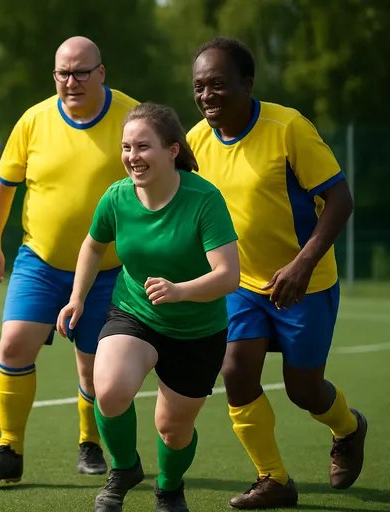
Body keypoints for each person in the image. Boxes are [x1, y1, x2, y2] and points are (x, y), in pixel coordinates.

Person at [187, 37, 368, 510]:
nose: (207, 95)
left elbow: (341, 200)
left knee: (303, 390)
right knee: (235, 371)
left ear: (247, 84)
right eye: (199, 86)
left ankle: (348, 428)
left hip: (306, 283)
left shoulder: (288, 127)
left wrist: (303, 264)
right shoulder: (196, 142)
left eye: (218, 85)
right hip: (243, 285)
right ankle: (273, 480)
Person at [0, 36, 140, 484]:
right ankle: (9, 449)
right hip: (40, 262)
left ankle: (90, 442)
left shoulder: (132, 118)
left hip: (110, 269)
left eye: (82, 72)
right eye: (63, 73)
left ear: (102, 73)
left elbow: (165, 181)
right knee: (12, 346)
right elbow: (3, 187)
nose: (72, 81)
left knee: (93, 365)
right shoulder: (34, 120)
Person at [57, 102, 240, 512]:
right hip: (134, 312)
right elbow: (93, 244)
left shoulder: (203, 199)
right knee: (109, 389)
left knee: (173, 430)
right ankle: (124, 469)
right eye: (126, 147)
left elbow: (229, 276)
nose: (132, 157)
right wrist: (77, 297)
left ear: (172, 150)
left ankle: (170, 487)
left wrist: (180, 291)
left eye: (143, 147)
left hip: (197, 328)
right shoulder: (117, 197)